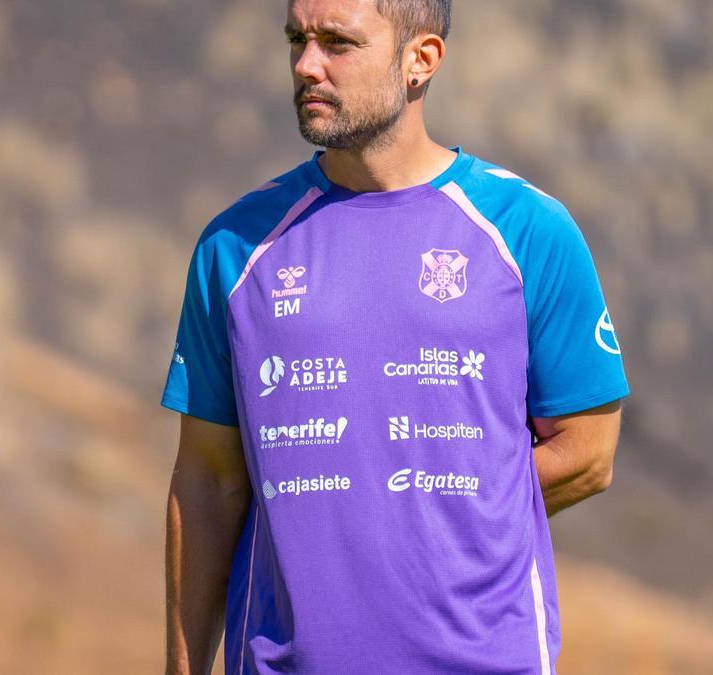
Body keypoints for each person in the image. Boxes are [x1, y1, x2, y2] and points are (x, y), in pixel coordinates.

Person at [161, 1, 629, 672]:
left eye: (337, 43)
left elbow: (588, 453)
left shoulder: (529, 231)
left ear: (421, 60)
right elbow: (208, 481)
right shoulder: (235, 247)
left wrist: (444, 521)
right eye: (297, 39)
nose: (306, 65)